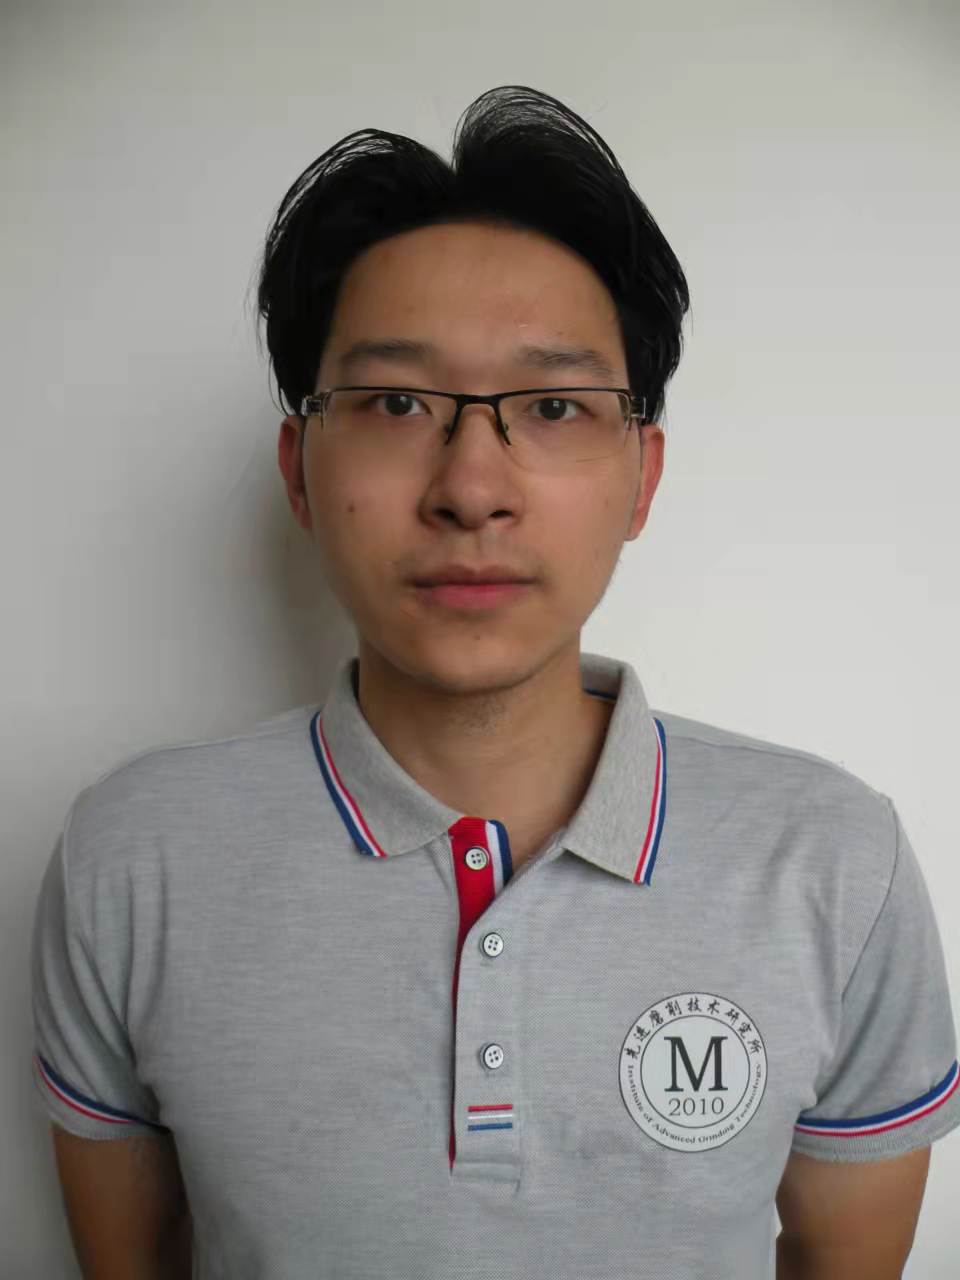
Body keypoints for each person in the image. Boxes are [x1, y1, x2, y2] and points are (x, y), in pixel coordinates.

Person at [31, 84, 959, 1280]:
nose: (472, 487)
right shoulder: (132, 857)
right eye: (397, 401)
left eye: (554, 404)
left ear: (641, 477)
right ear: (300, 470)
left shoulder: (832, 859)